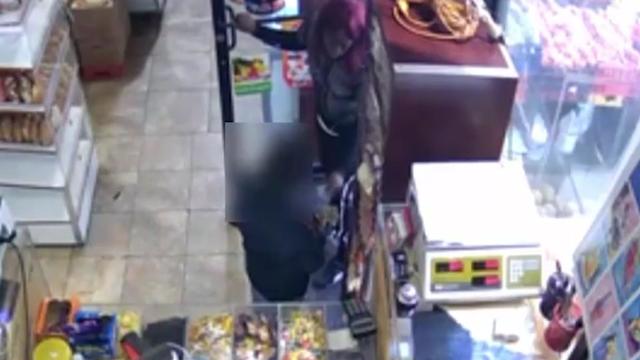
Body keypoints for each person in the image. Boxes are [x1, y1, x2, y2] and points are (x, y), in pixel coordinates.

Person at [235, 0, 370, 195]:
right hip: (323, 121)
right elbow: (293, 40)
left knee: (344, 190)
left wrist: (342, 171)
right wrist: (256, 28)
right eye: (334, 40)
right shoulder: (314, 30)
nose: (338, 49)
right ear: (325, 28)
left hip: (348, 134)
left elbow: (365, 128)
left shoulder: (360, 69)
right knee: (327, 168)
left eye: (345, 45)